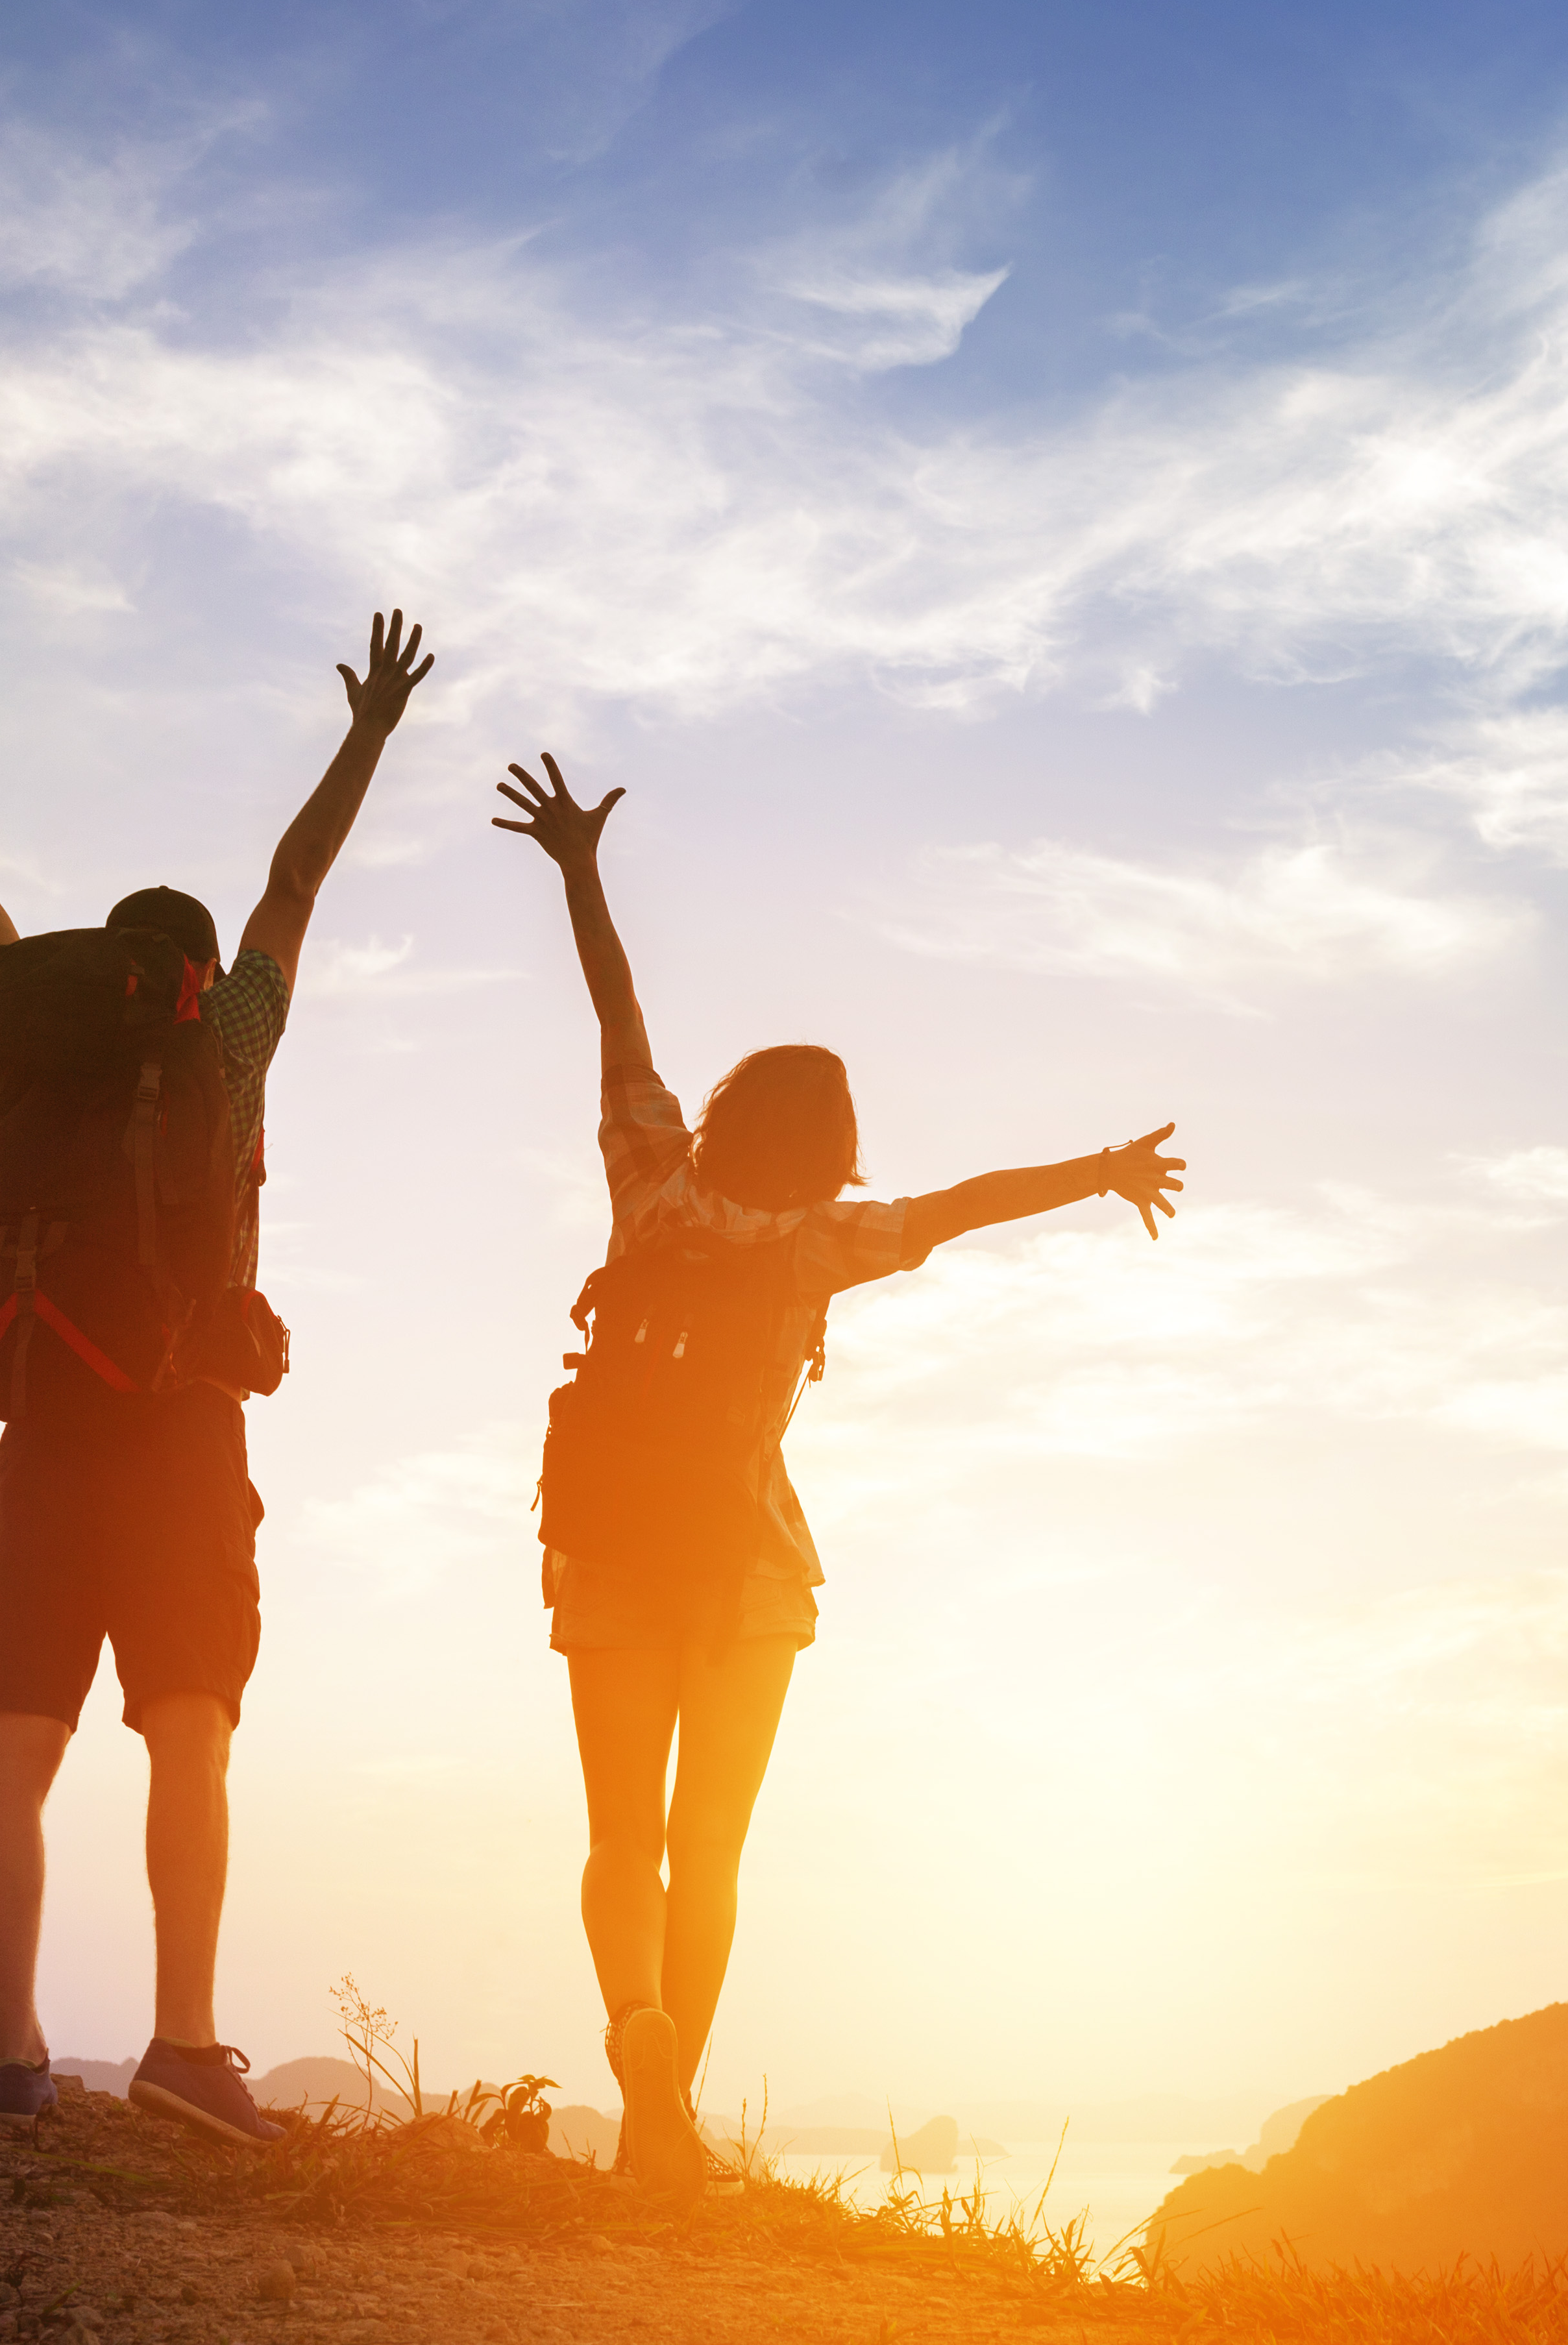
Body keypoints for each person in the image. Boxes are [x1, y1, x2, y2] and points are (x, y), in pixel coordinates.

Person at [493, 752, 1185, 2194]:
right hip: (746, 1569)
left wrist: (579, 870)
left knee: (620, 1836)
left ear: (731, 1112)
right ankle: (661, 2122)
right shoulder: (826, 1240)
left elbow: (617, 1016)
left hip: (609, 1552)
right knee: (713, 1848)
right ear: (833, 1149)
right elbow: (972, 1204)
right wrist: (1107, 1167)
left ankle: (634, 2030)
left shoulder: (647, 1180)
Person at [0, 611, 437, 2143]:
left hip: (39, 1428)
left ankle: (13, 2058)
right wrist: (367, 735)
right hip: (180, 1429)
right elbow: (296, 881)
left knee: (23, 1743)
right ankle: (184, 2047)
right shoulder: (225, 1039)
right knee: (190, 1729)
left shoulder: (31, 1024)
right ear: (198, 972)